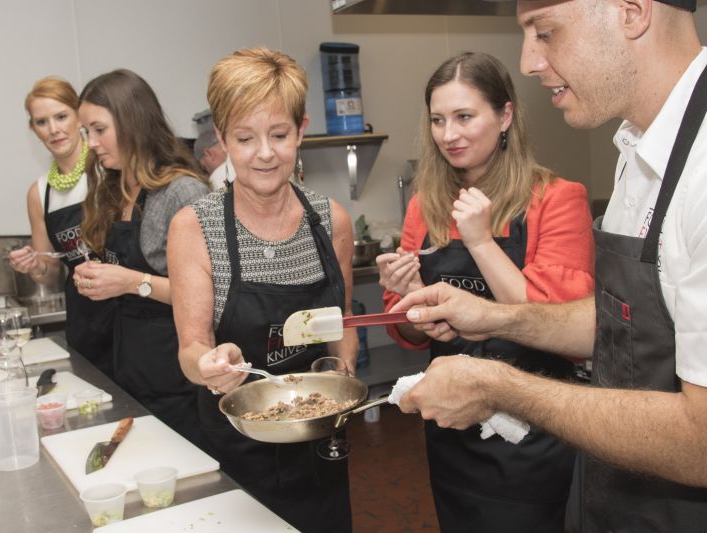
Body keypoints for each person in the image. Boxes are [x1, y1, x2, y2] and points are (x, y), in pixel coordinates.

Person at [390, 1, 707, 531]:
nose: (529, 61)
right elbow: (612, 326)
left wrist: (497, 387)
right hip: (617, 494)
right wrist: (489, 317)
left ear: (631, 12)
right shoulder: (636, 152)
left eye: (545, 32)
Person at [377, 51, 594, 532]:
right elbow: (410, 337)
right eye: (438, 120)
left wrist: (479, 240)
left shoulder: (555, 199)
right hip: (452, 427)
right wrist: (409, 299)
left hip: (534, 430)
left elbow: (561, 326)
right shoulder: (424, 207)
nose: (448, 134)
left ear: (505, 116)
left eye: (464, 117)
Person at [168, 47, 357, 533]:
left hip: (318, 445)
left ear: (301, 129)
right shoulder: (195, 226)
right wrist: (210, 366)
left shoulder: (330, 221)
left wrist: (342, 382)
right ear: (223, 139)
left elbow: (343, 328)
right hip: (236, 449)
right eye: (245, 138)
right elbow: (192, 348)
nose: (265, 153)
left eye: (279, 134)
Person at [75, 69, 209, 445]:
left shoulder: (183, 193)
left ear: (132, 121)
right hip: (132, 368)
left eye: (99, 130)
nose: (91, 143)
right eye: (87, 132)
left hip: (178, 379)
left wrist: (131, 282)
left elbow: (212, 296)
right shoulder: (116, 190)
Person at [7, 76, 115, 377]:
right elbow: (51, 275)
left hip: (127, 315)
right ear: (33, 129)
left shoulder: (109, 168)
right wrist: (33, 267)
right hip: (85, 323)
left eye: (61, 116)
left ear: (79, 114)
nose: (53, 129)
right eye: (42, 122)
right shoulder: (39, 193)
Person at [193, 122, 235, 191]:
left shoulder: (216, 178)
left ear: (209, 153)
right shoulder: (244, 159)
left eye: (204, 167)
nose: (208, 172)